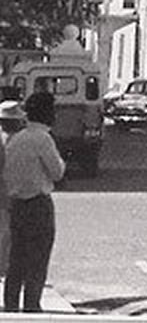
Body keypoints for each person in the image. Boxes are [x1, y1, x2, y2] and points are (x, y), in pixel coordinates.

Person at [5, 92, 65, 312]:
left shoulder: (16, 139)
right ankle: (32, 305)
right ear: (47, 113)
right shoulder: (43, 138)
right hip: (38, 203)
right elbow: (57, 172)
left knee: (17, 258)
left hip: (17, 204)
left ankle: (11, 305)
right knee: (38, 259)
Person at [0, 100, 26, 282]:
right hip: (8, 193)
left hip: (7, 192)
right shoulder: (16, 140)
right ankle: (4, 268)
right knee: (6, 232)